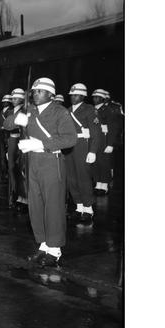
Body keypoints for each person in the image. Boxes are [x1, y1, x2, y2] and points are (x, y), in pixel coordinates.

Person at [14, 78, 77, 267]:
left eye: (40, 91)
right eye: (34, 91)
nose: (35, 94)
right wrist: (17, 117)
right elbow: (9, 124)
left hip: (51, 161)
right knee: (36, 204)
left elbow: (70, 139)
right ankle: (43, 244)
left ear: (50, 94)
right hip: (33, 161)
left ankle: (54, 248)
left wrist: (41, 144)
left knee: (53, 204)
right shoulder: (31, 111)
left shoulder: (59, 112)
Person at [64, 83, 101, 224]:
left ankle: (88, 208)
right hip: (69, 146)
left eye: (77, 95)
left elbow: (96, 132)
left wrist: (92, 151)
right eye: (72, 95)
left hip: (83, 146)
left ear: (83, 96)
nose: (73, 97)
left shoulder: (90, 110)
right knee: (71, 177)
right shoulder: (67, 110)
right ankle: (79, 207)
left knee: (83, 177)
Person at [91, 89, 122, 195]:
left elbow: (113, 128)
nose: (95, 99)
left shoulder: (108, 110)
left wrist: (110, 144)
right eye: (93, 97)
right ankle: (98, 183)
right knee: (95, 163)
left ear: (103, 99)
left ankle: (104, 185)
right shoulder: (92, 109)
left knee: (104, 163)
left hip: (104, 139)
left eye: (97, 97)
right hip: (94, 139)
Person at [2, 88, 28, 210]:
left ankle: (25, 198)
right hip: (12, 140)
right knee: (12, 169)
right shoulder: (9, 112)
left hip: (22, 140)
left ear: (22, 99)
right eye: (12, 98)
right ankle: (15, 194)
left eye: (16, 98)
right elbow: (6, 129)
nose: (13, 100)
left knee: (22, 170)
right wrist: (8, 146)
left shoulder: (26, 110)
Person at [0, 94, 13, 183]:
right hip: (1, 134)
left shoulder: (10, 111)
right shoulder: (1, 112)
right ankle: (3, 172)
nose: (4, 103)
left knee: (9, 154)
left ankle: (9, 172)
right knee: (2, 154)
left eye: (5, 102)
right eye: (3, 102)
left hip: (8, 134)